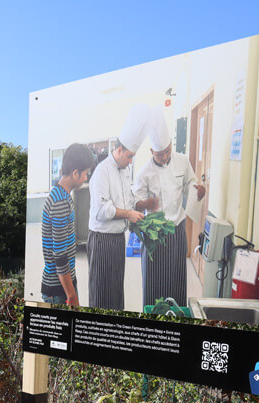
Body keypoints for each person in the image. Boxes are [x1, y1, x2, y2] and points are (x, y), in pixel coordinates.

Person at [132, 115, 205, 307]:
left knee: (177, 276)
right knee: (154, 279)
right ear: (151, 151)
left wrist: (198, 190)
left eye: (167, 151)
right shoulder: (144, 173)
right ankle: (154, 316)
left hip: (178, 228)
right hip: (154, 232)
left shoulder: (182, 161)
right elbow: (135, 203)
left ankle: (177, 314)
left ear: (171, 145)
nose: (164, 157)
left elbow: (191, 183)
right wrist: (146, 204)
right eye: (159, 154)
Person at [87, 104, 147, 309]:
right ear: (119, 150)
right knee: (101, 294)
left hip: (117, 240)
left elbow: (128, 201)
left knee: (115, 291)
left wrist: (138, 210)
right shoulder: (102, 172)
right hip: (101, 240)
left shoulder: (123, 171)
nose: (130, 162)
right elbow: (102, 211)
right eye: (129, 156)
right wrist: (129, 214)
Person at [41, 143, 95, 306]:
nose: (86, 178)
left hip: (62, 284)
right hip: (59, 290)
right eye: (85, 174)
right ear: (75, 173)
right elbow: (60, 256)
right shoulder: (61, 202)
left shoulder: (60, 194)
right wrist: (71, 296)